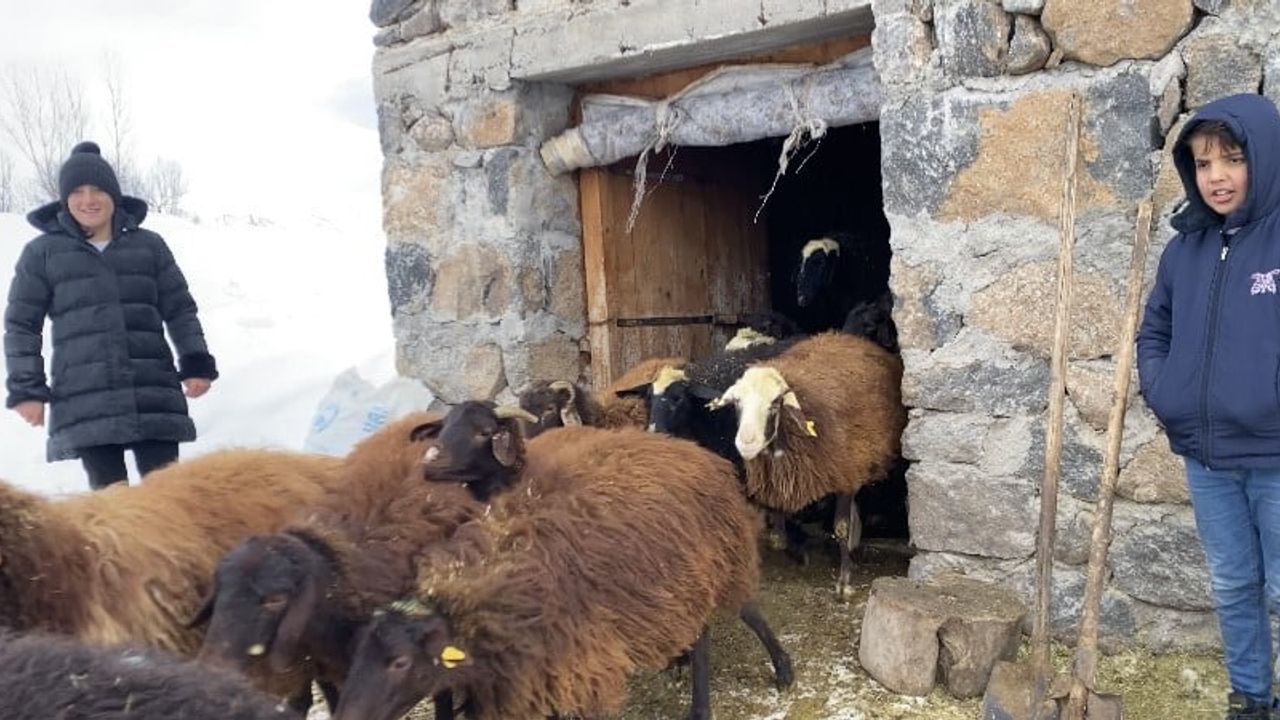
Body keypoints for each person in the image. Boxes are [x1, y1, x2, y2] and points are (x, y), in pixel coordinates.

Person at [1138, 93, 1280, 720]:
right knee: (1231, 584)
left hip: (1276, 456)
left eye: (1232, 158)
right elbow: (1155, 331)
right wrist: (1162, 389)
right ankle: (1251, 699)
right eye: (1202, 164)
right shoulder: (1185, 250)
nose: (1216, 176)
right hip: (1207, 457)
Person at [3, 141, 216, 490]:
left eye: (98, 189)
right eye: (78, 191)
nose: (89, 199)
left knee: (168, 501)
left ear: (114, 194)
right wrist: (28, 389)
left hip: (152, 391)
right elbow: (21, 326)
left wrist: (195, 363)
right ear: (64, 200)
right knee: (112, 508)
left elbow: (179, 309)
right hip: (86, 400)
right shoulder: (42, 254)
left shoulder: (149, 245)